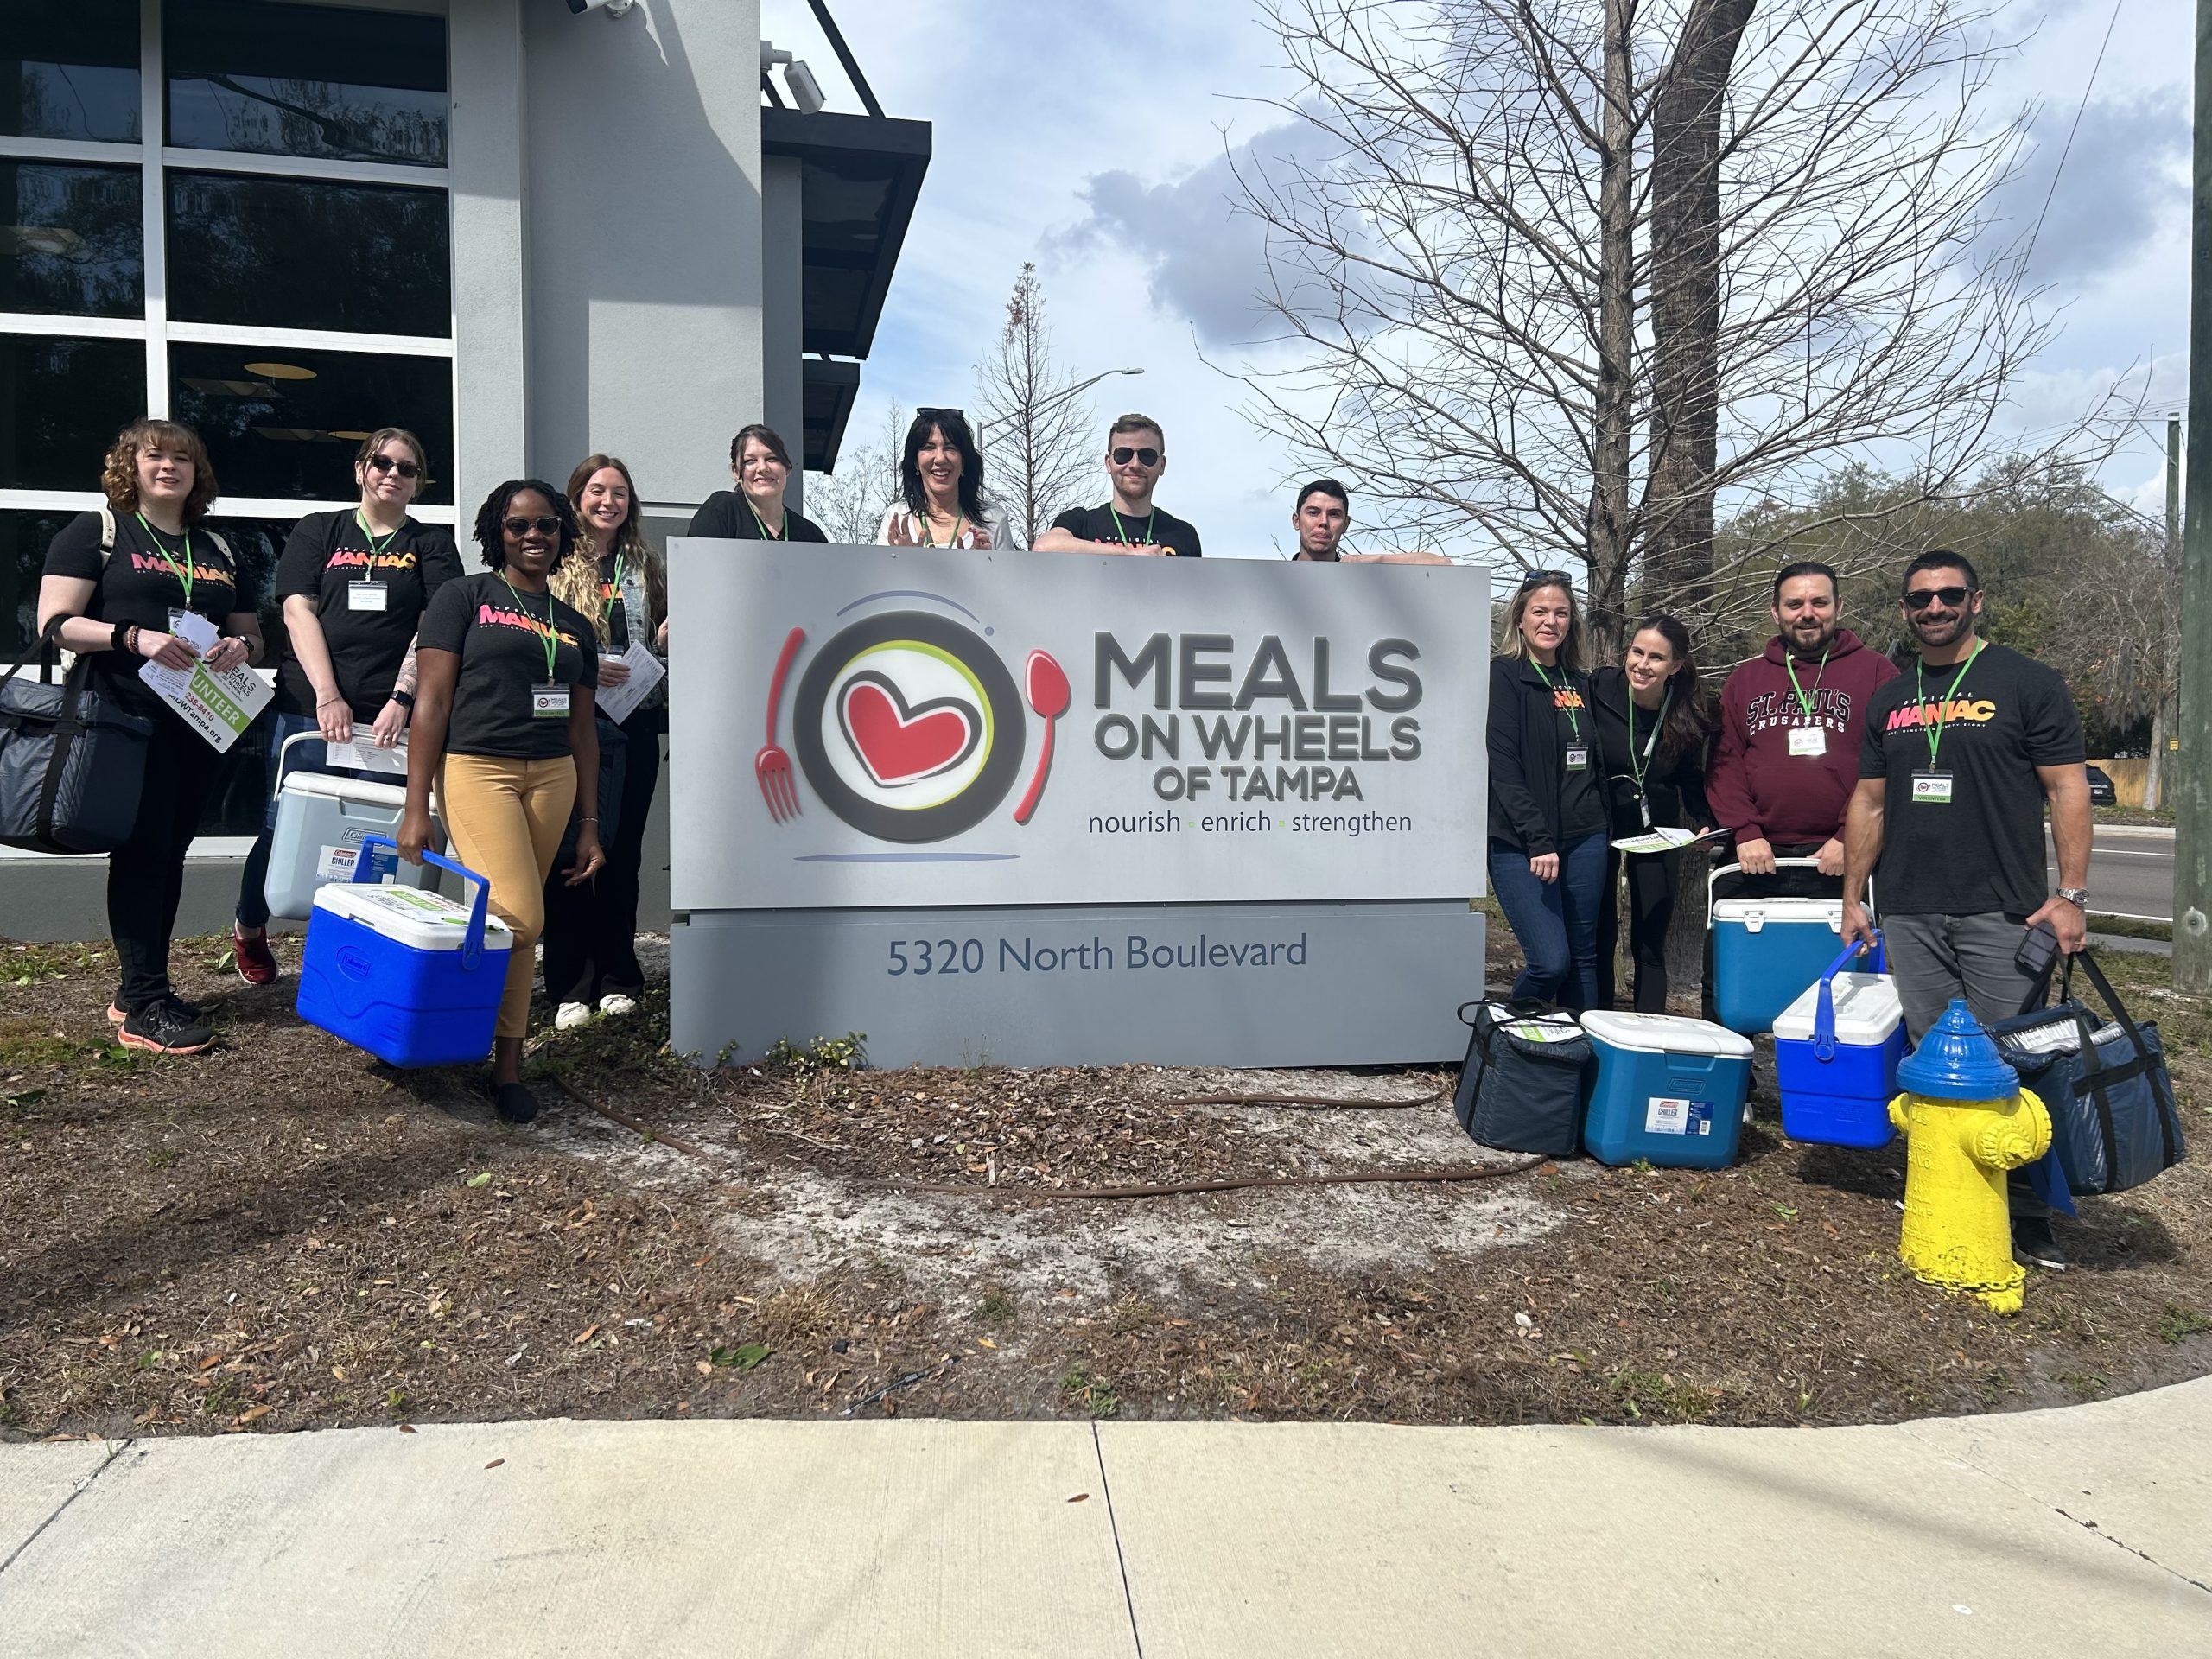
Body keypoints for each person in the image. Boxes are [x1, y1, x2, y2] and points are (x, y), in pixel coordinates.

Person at [1840, 550, 2092, 1269]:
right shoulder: (1891, 697)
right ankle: (1943, 1184)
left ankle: (2028, 1212)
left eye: (1950, 596)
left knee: (2015, 1060)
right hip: (1912, 908)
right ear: (1904, 610)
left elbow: (2068, 791)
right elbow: (1869, 801)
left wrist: (2070, 896)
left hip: (2004, 911)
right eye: (1920, 599)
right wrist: (1855, 896)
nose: (1935, 609)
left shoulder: (2026, 683)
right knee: (1931, 1058)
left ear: (1976, 601)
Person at [36, 418, 265, 1054]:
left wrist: (237, 646)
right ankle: (145, 1005)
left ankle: (139, 986)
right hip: (121, 719)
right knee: (141, 854)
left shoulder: (217, 547)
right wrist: (131, 637)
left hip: (199, 723)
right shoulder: (101, 532)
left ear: (199, 474)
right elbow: (55, 622)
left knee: (169, 854)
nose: (169, 467)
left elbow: (253, 633)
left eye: (183, 459)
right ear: (129, 466)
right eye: (155, 456)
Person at [400, 481, 604, 1124]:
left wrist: (590, 826)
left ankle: (506, 1065)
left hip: (552, 776)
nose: (533, 535)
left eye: (545, 525)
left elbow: (583, 730)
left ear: (561, 534)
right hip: (477, 767)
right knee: (520, 915)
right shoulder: (463, 597)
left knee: (516, 921)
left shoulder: (574, 626)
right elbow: (430, 704)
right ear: (498, 533)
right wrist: (415, 804)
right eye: (518, 526)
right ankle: (455, 1035)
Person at [232, 428, 462, 983]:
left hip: (391, 715)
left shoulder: (430, 543)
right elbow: (295, 611)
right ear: (361, 469)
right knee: (284, 822)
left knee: (377, 833)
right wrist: (327, 696)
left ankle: (359, 945)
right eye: (382, 462)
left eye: (408, 468)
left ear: (418, 483)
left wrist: (403, 699)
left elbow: (435, 628)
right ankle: (250, 925)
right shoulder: (320, 530)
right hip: (309, 706)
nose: (393, 474)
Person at [542, 454, 665, 1029]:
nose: (608, 501)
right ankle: (570, 983)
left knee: (623, 854)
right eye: (597, 491)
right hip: (574, 723)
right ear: (577, 498)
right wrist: (589, 662)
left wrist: (665, 638)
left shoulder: (645, 564)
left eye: (619, 492)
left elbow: (661, 637)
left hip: (634, 723)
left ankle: (619, 976)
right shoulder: (553, 562)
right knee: (571, 852)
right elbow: (533, 636)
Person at [1707, 559, 1898, 887]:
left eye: (1819, 603)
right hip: (1756, 854)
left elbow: (1893, 763)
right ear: (1775, 611)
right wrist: (1746, 831)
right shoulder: (1745, 679)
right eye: (1794, 604)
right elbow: (1724, 764)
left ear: (1838, 607)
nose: (1806, 614)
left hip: (1844, 855)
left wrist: (1848, 837)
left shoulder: (1878, 673)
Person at [1486, 571, 1605, 1010]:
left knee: (1583, 960)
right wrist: (1537, 838)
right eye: (1540, 611)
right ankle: (1505, 1039)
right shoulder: (1504, 676)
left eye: (1561, 613)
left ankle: (1577, 1067)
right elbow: (1504, 766)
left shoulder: (1580, 681)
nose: (1550, 621)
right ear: (1520, 618)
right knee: (1550, 962)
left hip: (1586, 836)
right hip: (1523, 843)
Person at [1589, 616, 1718, 1012]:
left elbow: (1690, 777)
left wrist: (1704, 819)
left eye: (1656, 657)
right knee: (1599, 932)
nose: (1642, 665)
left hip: (1656, 827)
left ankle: (1648, 1029)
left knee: (1649, 937)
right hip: (1599, 820)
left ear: (1675, 665)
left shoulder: (1688, 710)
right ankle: (1596, 1024)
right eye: (1637, 652)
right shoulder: (1598, 688)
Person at [1034, 415, 1202, 556]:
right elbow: (1044, 548)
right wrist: (1128, 554)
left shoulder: (1183, 535)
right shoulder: (1081, 523)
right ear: (1109, 463)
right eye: (1124, 455)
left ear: (1162, 465)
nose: (1135, 464)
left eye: (1147, 456)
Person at [877, 409, 1008, 548]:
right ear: (915, 462)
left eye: (950, 448)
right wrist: (902, 559)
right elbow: (878, 570)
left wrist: (983, 565)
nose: (940, 458)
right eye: (929, 447)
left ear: (963, 462)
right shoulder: (897, 517)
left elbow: (1010, 570)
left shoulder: (993, 518)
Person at [686, 425, 829, 543]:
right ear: (736, 472)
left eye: (772, 459)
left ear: (787, 468)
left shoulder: (810, 534)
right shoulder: (721, 511)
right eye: (750, 461)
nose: (763, 468)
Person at [1288, 479, 1447, 563]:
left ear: (1346, 524)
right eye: (1313, 512)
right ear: (1296, 521)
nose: (1323, 522)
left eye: (1334, 514)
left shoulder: (1359, 577)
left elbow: (1442, 563)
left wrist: (1378, 560)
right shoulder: (1272, 582)